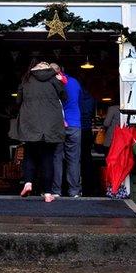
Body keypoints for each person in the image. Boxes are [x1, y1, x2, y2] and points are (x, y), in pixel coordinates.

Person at [14, 60, 66, 203]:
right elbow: (64, 97)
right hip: (51, 124)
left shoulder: (26, 79)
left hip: (30, 123)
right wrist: (60, 82)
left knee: (29, 154)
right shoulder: (54, 78)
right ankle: (48, 193)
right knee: (48, 158)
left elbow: (18, 100)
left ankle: (28, 183)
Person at [50, 63, 82, 197]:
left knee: (56, 158)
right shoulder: (74, 82)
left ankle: (56, 191)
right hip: (75, 124)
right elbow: (79, 100)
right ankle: (74, 191)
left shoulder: (52, 83)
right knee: (74, 159)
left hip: (58, 124)